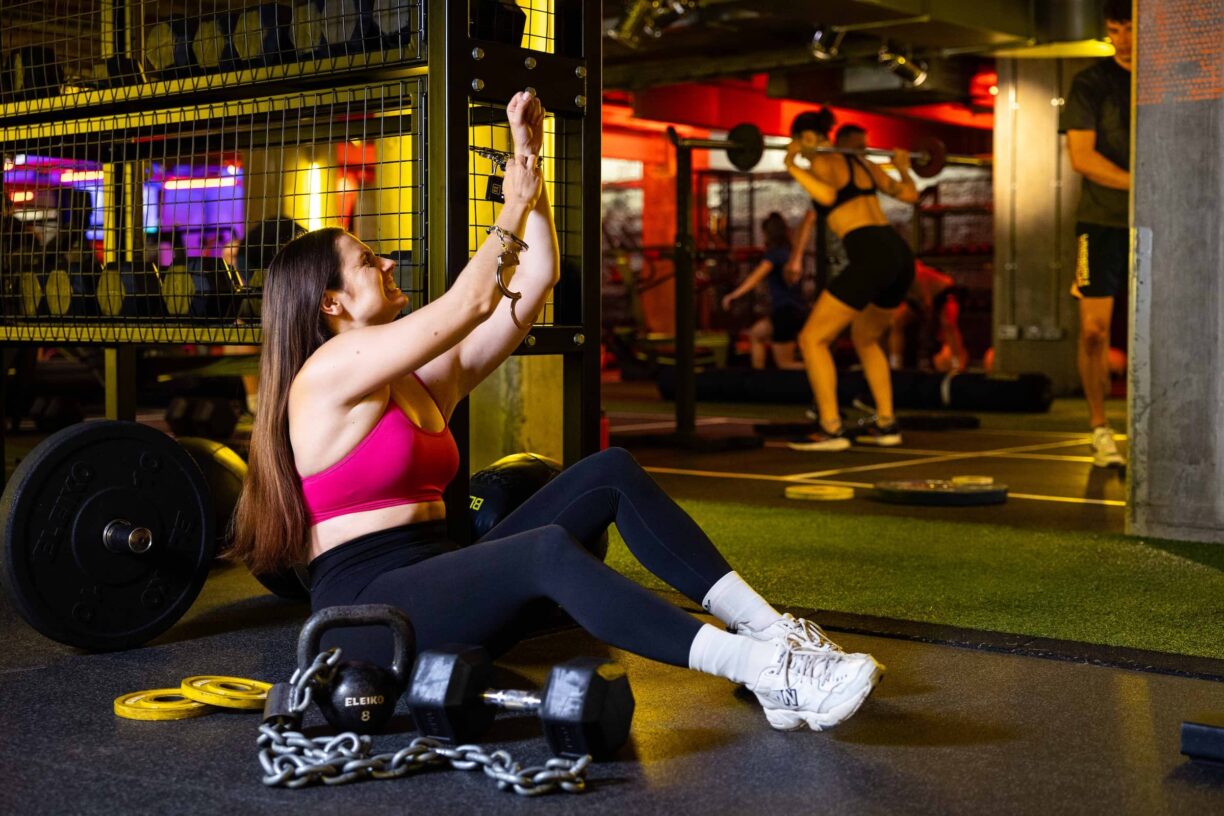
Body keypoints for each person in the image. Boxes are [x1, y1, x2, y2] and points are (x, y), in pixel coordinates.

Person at [230, 91, 882, 734]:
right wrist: (509, 204)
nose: (389, 262)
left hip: (439, 583)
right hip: (371, 621)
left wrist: (528, 158)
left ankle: (775, 635)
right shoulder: (323, 376)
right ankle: (764, 668)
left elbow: (534, 281)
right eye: (369, 262)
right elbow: (469, 303)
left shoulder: (419, 380)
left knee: (609, 472)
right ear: (331, 304)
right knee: (543, 549)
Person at [782, 110, 918, 451]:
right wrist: (902, 167)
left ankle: (831, 429)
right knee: (867, 337)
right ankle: (887, 424)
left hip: (871, 254)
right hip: (899, 254)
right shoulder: (864, 164)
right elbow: (909, 195)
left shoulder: (824, 162)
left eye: (798, 141)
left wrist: (792, 164)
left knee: (812, 339)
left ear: (807, 139)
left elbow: (826, 197)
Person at [1061, 0, 1131, 468]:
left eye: (1130, 28)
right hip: (1102, 223)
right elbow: (1081, 158)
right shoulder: (1090, 83)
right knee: (1092, 331)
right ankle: (1100, 428)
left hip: (1173, 222)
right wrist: (1142, 185)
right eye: (1114, 29)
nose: (1122, 38)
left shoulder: (1178, 78)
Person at [721, 212, 807, 370]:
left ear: (768, 234)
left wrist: (733, 295)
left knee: (785, 364)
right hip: (794, 309)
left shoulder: (774, 255)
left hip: (786, 312)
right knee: (756, 334)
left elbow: (755, 278)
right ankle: (757, 379)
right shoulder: (790, 252)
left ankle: (823, 372)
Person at [889, 260, 967, 373]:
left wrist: (929, 323)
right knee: (896, 321)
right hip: (918, 299)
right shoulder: (894, 279)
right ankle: (895, 363)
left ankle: (957, 363)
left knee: (948, 323)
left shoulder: (917, 273)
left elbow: (928, 303)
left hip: (943, 292)